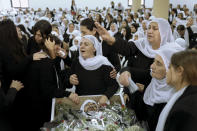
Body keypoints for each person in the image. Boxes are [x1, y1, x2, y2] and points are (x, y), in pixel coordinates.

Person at [95, 18, 177, 88]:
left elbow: (151, 74)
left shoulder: (170, 52)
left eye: (155, 29)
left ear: (164, 32)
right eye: (149, 28)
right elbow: (127, 48)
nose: (150, 31)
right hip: (135, 91)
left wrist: (128, 71)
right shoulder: (142, 44)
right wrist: (111, 39)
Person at [24, 35, 78, 131]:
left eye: (60, 47)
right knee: (45, 126)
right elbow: (48, 88)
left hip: (47, 100)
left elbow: (60, 74)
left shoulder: (52, 58)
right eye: (57, 47)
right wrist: (68, 94)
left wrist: (65, 58)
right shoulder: (43, 61)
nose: (59, 50)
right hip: (40, 105)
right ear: (49, 47)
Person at [125, 47, 182, 131]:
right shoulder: (153, 82)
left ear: (170, 69)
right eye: (153, 61)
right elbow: (144, 114)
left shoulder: (177, 101)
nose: (152, 66)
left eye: (158, 63)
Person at [69, 35, 119, 105]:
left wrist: (106, 96)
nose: (82, 46)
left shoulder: (103, 63)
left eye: (86, 44)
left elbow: (114, 85)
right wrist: (70, 80)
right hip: (82, 103)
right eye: (80, 44)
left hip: (100, 103)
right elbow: (68, 81)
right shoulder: (76, 62)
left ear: (94, 49)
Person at [156, 50, 197, 131]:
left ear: (179, 71)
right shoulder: (188, 95)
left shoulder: (184, 110)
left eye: (169, 67)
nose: (167, 72)